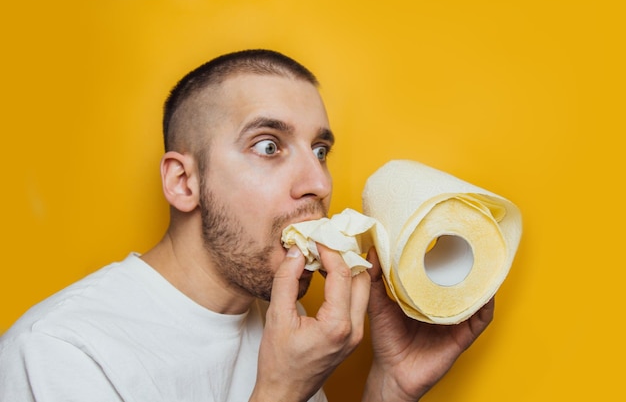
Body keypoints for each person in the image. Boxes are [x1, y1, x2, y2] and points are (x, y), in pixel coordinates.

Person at [0, 49, 494, 401]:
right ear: (184, 182)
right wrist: (280, 393)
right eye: (268, 146)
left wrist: (389, 390)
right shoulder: (62, 354)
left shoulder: (282, 330)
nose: (318, 183)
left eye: (320, 151)